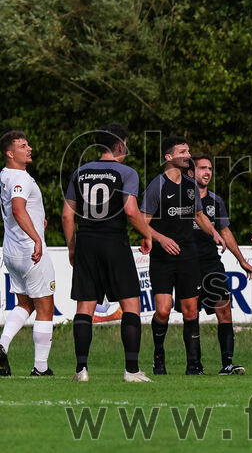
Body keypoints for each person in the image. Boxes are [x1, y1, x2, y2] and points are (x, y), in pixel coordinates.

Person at [61, 123, 156, 382]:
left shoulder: (80, 172)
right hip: (114, 241)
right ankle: (132, 370)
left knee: (85, 306)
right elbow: (131, 211)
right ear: (119, 145)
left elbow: (67, 215)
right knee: (131, 304)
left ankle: (81, 370)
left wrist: (72, 246)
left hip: (87, 242)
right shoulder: (127, 172)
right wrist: (147, 234)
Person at [141, 136, 225, 375]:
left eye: (189, 150)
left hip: (189, 255)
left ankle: (194, 365)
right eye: (183, 151)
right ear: (169, 157)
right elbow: (142, 222)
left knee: (190, 310)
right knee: (164, 310)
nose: (188, 155)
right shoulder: (157, 186)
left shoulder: (190, 186)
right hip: (163, 257)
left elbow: (199, 215)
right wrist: (160, 239)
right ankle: (159, 358)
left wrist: (214, 233)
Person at [187, 154, 252, 375]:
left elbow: (225, 231)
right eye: (202, 168)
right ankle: (194, 366)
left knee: (224, 309)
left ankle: (227, 364)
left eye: (210, 168)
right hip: (187, 262)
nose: (207, 172)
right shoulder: (180, 198)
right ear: (191, 172)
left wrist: (242, 260)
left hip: (211, 262)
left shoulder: (215, 201)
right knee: (191, 313)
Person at [0, 131, 55, 377]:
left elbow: (19, 211)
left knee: (25, 303)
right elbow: (18, 208)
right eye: (23, 146)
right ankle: (41, 368)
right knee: (45, 307)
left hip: (12, 250)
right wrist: (36, 238)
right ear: (10, 153)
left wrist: (35, 222)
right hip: (28, 250)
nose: (29, 148)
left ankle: (1, 346)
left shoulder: (4, 175)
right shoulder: (20, 177)